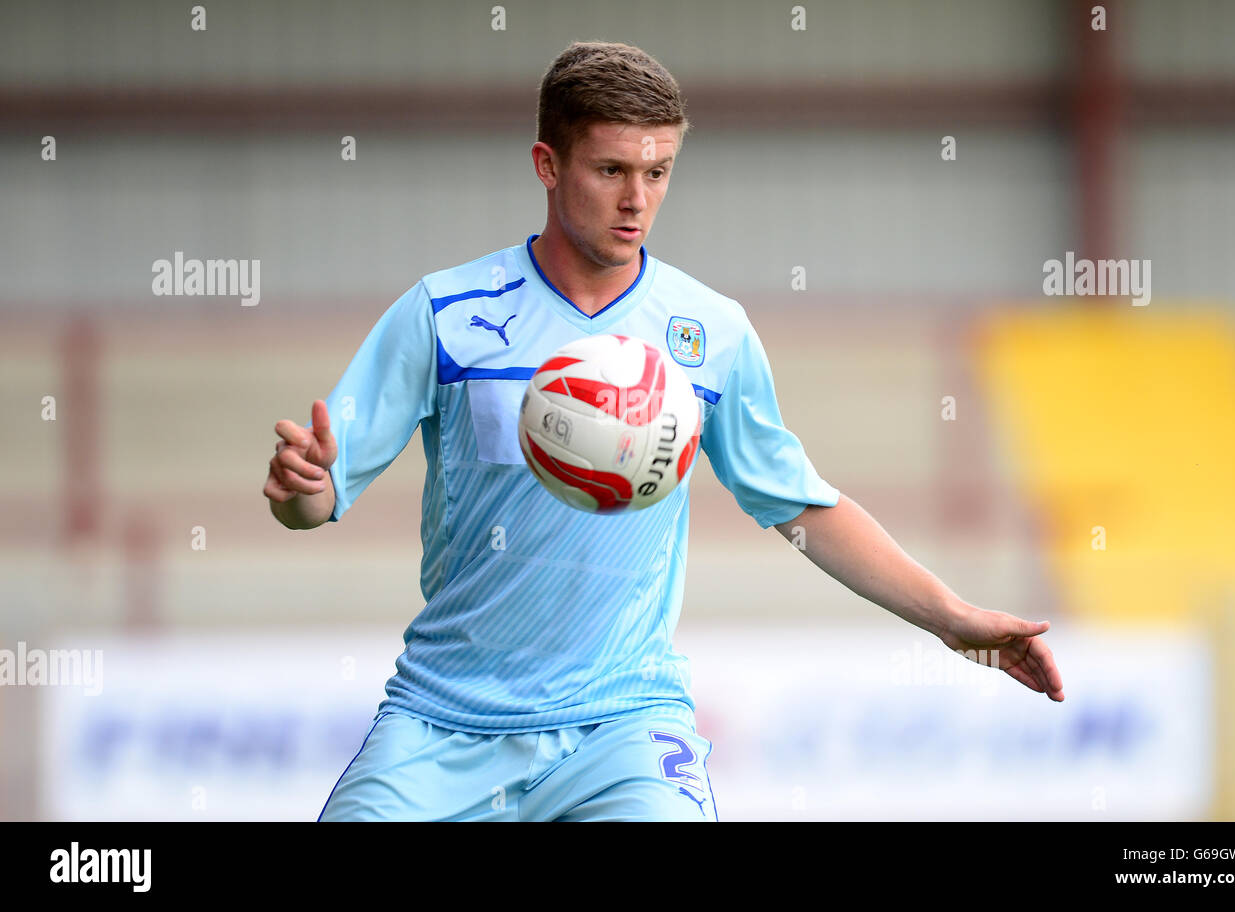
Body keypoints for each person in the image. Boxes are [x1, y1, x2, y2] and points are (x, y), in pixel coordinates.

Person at [263, 41, 1065, 822]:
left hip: (625, 724)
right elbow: (316, 498)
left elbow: (800, 509)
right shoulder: (445, 315)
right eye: (610, 170)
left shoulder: (710, 332)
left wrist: (953, 618)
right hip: (443, 719)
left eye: (657, 172)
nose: (636, 199)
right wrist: (302, 489)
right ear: (548, 165)